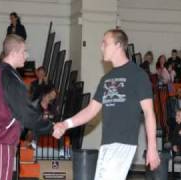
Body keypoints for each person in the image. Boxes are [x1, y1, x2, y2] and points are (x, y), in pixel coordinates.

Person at [52, 29, 160, 180]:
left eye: (105, 43)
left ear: (118, 45)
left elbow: (149, 112)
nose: (101, 47)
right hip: (107, 144)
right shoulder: (106, 79)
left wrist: (152, 148)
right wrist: (65, 124)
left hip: (123, 143)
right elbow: (91, 110)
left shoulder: (138, 75)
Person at [0, 34, 52, 180]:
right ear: (14, 52)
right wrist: (51, 127)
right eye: (24, 52)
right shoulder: (10, 76)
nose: (26, 56)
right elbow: (25, 113)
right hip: (0, 140)